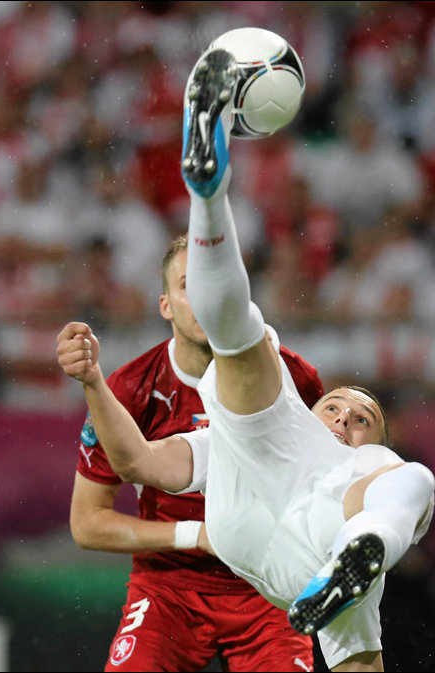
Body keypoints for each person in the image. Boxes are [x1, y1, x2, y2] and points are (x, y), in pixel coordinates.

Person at [57, 46, 435, 672]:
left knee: (409, 478)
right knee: (250, 348)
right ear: (165, 304)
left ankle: (361, 548)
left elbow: (362, 664)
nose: (344, 417)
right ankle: (209, 193)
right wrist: (95, 383)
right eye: (336, 407)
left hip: (297, 572)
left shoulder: (364, 465)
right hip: (201, 559)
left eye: (361, 418)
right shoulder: (176, 391)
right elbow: (138, 465)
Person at [69, 234, 324, 671]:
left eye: (216, 282)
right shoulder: (129, 390)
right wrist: (196, 536)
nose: (206, 297)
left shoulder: (295, 378)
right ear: (165, 305)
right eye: (189, 285)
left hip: (266, 586)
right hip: (167, 589)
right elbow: (87, 523)